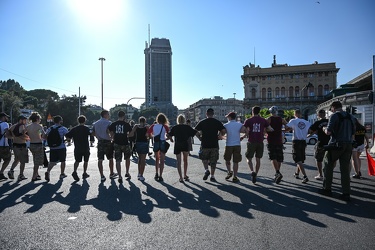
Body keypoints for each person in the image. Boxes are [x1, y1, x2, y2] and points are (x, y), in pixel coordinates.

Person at [319, 101, 356, 201]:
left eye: (331, 109)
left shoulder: (334, 116)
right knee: (345, 169)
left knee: (327, 165)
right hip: (348, 145)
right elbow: (353, 132)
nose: (331, 110)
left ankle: (327, 189)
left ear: (334, 107)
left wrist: (324, 128)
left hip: (336, 145)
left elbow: (328, 132)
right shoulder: (350, 116)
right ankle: (346, 193)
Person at [243, 106, 274, 184]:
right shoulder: (263, 120)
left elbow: (243, 129)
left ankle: (252, 171)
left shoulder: (248, 120)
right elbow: (271, 129)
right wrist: (264, 131)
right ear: (259, 112)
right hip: (260, 141)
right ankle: (256, 174)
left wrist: (247, 132)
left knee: (249, 158)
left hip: (251, 141)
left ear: (252, 111)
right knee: (258, 159)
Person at [194, 108, 226, 182]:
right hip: (214, 144)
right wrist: (219, 135)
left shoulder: (202, 122)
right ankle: (212, 176)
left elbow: (195, 131)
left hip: (204, 143)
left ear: (206, 114)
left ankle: (206, 170)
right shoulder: (217, 122)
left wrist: (199, 137)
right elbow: (223, 131)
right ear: (213, 114)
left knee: (204, 158)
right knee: (213, 161)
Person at [167, 114, 197, 182]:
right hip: (185, 144)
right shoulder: (187, 127)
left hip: (177, 144)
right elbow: (194, 132)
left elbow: (168, 134)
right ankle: (185, 175)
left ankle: (180, 177)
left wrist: (171, 139)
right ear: (184, 120)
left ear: (177, 120)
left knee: (178, 161)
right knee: (185, 160)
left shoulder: (175, 127)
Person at [286, 109, 311, 183]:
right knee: (301, 159)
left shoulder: (293, 121)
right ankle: (297, 173)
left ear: (295, 114)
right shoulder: (306, 122)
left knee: (297, 159)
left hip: (296, 141)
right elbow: (310, 131)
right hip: (303, 141)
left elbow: (287, 128)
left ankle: (305, 176)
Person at [108, 111, 132, 184]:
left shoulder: (114, 124)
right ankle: (127, 172)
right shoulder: (126, 124)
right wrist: (127, 135)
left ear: (118, 116)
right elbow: (130, 133)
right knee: (127, 158)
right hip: (125, 143)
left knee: (118, 160)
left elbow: (109, 130)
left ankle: (120, 176)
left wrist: (112, 136)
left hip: (117, 143)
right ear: (124, 116)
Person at [65, 115, 92, 181]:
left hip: (77, 147)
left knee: (77, 161)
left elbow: (67, 136)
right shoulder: (86, 128)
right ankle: (84, 173)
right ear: (85, 121)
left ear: (78, 121)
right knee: (86, 161)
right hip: (85, 147)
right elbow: (91, 134)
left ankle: (75, 171)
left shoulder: (74, 129)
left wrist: (68, 140)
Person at [222, 112, 247, 183]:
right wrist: (243, 137)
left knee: (227, 160)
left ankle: (229, 171)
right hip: (237, 144)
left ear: (229, 117)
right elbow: (246, 131)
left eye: (227, 117)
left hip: (229, 144)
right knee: (236, 161)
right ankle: (235, 176)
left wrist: (223, 137)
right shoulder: (239, 124)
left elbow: (221, 134)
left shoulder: (226, 125)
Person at [92, 110, 116, 182]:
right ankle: (111, 173)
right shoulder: (109, 123)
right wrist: (112, 138)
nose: (109, 116)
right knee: (110, 158)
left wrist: (97, 136)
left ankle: (102, 175)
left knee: (100, 159)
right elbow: (111, 132)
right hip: (107, 142)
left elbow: (93, 133)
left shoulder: (95, 123)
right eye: (108, 114)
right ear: (105, 115)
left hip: (100, 142)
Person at [266, 106, 288, 184]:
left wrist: (268, 131)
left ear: (271, 112)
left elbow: (265, 128)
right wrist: (282, 130)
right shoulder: (281, 119)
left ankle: (277, 172)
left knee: (273, 157)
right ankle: (277, 173)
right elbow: (288, 127)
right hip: (279, 140)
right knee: (279, 157)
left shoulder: (269, 119)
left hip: (271, 140)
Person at [44, 115, 69, 182]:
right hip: (61, 147)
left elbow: (45, 136)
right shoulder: (63, 128)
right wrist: (65, 140)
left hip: (52, 148)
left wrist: (50, 142)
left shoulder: (50, 128)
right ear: (60, 121)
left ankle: (48, 171)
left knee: (52, 161)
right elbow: (68, 137)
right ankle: (62, 173)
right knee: (62, 161)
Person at [148, 113, 170, 182]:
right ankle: (161, 175)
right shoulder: (165, 126)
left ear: (157, 119)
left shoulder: (153, 126)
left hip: (156, 143)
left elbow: (148, 133)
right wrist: (167, 138)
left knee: (157, 159)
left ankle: (156, 173)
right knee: (162, 160)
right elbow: (169, 135)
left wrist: (152, 136)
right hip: (163, 142)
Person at [309, 109, 330, 180]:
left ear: (319, 115)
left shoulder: (317, 122)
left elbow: (310, 130)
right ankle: (328, 174)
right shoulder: (329, 121)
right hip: (330, 143)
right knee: (330, 160)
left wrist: (315, 132)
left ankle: (320, 174)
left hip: (321, 142)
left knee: (318, 159)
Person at [8, 115, 30, 181]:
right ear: (21, 120)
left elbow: (7, 135)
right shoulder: (22, 126)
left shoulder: (13, 126)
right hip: (22, 145)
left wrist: (13, 137)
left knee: (16, 159)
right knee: (22, 161)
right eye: (25, 120)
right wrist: (28, 138)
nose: (26, 121)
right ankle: (21, 175)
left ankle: (11, 170)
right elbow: (21, 135)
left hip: (15, 144)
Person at [129, 116, 150, 181]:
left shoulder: (136, 126)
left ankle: (139, 172)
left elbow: (131, 134)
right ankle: (141, 175)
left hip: (137, 143)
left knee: (139, 159)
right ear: (145, 121)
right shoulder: (146, 127)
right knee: (143, 160)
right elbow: (150, 136)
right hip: (144, 143)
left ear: (139, 121)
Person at [26, 112, 46, 181]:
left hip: (31, 144)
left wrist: (28, 137)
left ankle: (37, 174)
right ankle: (34, 176)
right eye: (39, 119)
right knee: (37, 162)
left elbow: (23, 132)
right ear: (37, 119)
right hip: (38, 144)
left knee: (35, 160)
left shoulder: (28, 126)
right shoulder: (39, 126)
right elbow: (42, 135)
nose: (40, 120)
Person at [0, 112, 12, 181]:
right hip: (3, 145)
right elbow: (7, 134)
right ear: (3, 117)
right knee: (7, 159)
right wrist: (13, 137)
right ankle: (1, 173)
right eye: (6, 117)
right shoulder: (5, 124)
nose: (7, 118)